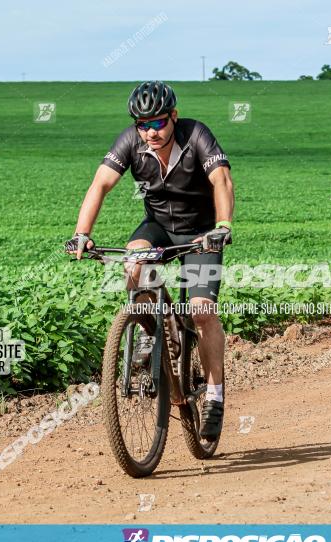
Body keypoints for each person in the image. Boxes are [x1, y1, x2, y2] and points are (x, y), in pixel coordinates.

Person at [66, 81, 235, 439]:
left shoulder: (196, 134)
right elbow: (100, 185)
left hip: (202, 232)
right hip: (158, 227)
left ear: (173, 116)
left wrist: (222, 226)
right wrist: (82, 234)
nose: (150, 131)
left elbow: (221, 180)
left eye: (158, 122)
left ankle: (215, 396)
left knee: (202, 311)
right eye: (142, 124)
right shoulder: (131, 142)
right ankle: (149, 332)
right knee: (134, 262)